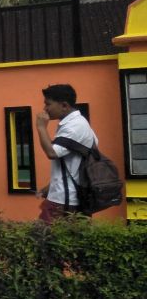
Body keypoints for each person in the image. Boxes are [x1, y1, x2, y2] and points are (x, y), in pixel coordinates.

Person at [36, 83, 97, 223]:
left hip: (65, 200)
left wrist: (41, 127)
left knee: (43, 240)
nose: (45, 109)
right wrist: (51, 187)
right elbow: (71, 164)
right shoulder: (75, 123)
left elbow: (52, 153)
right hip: (65, 196)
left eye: (48, 104)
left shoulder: (75, 126)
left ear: (64, 105)